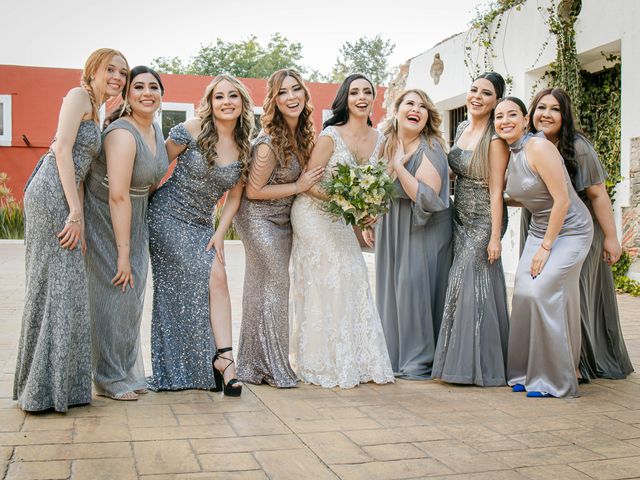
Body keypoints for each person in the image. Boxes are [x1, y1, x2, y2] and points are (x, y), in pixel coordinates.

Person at [14, 48, 129, 411]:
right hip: (51, 193)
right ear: (92, 69)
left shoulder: (97, 109)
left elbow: (81, 168)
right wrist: (75, 212)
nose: (117, 77)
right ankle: (42, 391)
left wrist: (78, 210)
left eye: (122, 73)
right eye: (110, 68)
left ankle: (59, 387)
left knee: (63, 287)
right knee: (54, 285)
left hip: (65, 194)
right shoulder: (78, 96)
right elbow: (62, 151)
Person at [147, 75, 254, 396]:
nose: (226, 102)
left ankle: (223, 361)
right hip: (166, 215)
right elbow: (155, 168)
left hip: (202, 223)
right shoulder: (192, 129)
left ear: (242, 103)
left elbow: (234, 197)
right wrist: (138, 210)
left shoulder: (245, 145)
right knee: (200, 283)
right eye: (219, 96)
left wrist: (221, 233)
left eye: (232, 96)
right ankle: (209, 365)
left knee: (217, 278)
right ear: (210, 102)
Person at [289, 73, 394, 389]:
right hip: (312, 213)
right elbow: (309, 183)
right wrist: (348, 203)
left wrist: (367, 211)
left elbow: (378, 185)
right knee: (331, 275)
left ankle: (358, 358)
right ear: (345, 99)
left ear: (373, 98)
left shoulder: (381, 140)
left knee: (353, 273)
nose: (361, 97)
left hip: (341, 217)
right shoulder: (330, 136)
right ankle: (320, 361)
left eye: (367, 92)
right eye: (354, 92)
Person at [527, 87, 633, 380]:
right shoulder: (528, 144)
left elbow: (598, 194)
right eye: (541, 107)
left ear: (565, 115)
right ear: (532, 112)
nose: (546, 114)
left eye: (554, 109)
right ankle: (549, 358)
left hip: (578, 230)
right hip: (541, 227)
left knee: (575, 294)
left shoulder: (577, 146)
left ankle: (580, 362)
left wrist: (612, 238)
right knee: (544, 292)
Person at [496, 96, 593, 398]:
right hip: (541, 228)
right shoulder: (507, 152)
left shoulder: (537, 147)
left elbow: (562, 199)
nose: (505, 121)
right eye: (499, 117)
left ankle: (554, 378)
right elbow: (523, 193)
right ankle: (526, 371)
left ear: (526, 119)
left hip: (571, 230)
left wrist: (546, 246)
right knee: (523, 294)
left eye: (512, 114)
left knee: (542, 292)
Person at [85, 66, 169, 401]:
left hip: (135, 217)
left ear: (161, 94)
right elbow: (118, 194)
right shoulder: (122, 133)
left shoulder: (155, 129)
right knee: (112, 293)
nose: (147, 92)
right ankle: (106, 377)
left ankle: (124, 369)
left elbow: (150, 181)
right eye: (139, 87)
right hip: (107, 216)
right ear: (128, 95)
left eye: (153, 87)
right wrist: (122, 253)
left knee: (131, 298)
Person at [235, 69, 323, 387]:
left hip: (282, 220)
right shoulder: (268, 143)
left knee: (260, 288)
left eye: (296, 89)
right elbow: (254, 191)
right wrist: (299, 185)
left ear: (304, 94)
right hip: (257, 218)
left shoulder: (301, 136)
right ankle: (274, 366)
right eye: (283, 92)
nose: (291, 97)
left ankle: (250, 367)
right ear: (273, 100)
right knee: (276, 283)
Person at [365, 89, 452, 379]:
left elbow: (427, 198)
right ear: (397, 110)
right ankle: (394, 356)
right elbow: (378, 185)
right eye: (409, 104)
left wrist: (401, 166)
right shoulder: (387, 143)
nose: (416, 109)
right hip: (392, 224)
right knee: (391, 289)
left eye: (422, 106)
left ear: (428, 116)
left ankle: (420, 360)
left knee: (412, 287)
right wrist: (371, 218)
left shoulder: (431, 148)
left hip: (422, 227)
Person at [431, 72, 510, 386]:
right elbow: (453, 172)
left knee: (465, 280)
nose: (477, 96)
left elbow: (496, 191)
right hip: (459, 216)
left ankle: (475, 365)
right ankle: (459, 359)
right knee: (462, 284)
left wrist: (494, 237)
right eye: (474, 89)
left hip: (483, 221)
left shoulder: (495, 138)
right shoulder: (463, 127)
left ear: (496, 101)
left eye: (486, 93)